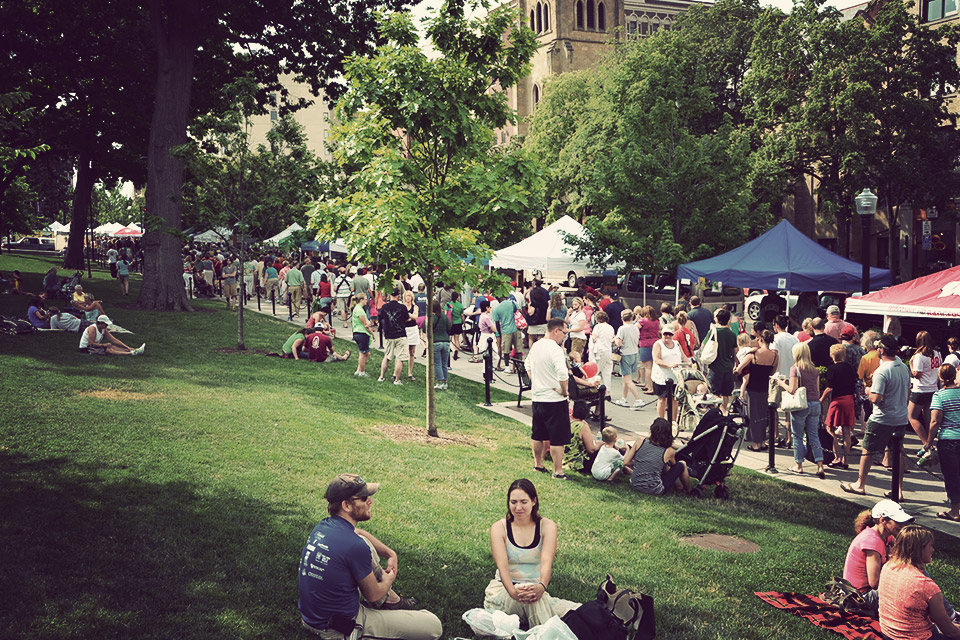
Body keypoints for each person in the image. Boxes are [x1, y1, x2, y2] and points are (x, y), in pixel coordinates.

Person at [298, 474, 442, 640]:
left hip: (312, 618)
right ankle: (388, 605)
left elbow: (358, 533)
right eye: (364, 498)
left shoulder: (323, 526)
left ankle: (392, 603)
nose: (370, 501)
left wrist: (390, 553)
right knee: (433, 626)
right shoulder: (354, 546)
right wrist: (388, 580)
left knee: (364, 542)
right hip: (339, 628)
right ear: (346, 505)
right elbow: (373, 595)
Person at [485, 479, 579, 629]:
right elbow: (502, 567)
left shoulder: (547, 526)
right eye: (513, 502)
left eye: (524, 501)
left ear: (534, 501)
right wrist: (513, 592)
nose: (518, 507)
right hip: (505, 591)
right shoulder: (499, 528)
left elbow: (547, 562)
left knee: (577, 610)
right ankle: (547, 633)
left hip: (536, 591)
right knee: (536, 602)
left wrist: (541, 587)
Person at [842, 334, 911, 500]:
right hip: (900, 416)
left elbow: (876, 398)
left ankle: (860, 484)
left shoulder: (882, 371)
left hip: (882, 417)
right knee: (898, 451)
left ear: (882, 350)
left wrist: (867, 390)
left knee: (868, 450)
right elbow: (908, 391)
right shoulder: (903, 367)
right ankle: (898, 490)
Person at [878, 525, 960, 640]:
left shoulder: (887, 567)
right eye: (930, 546)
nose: (933, 549)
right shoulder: (926, 586)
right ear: (919, 549)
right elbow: (951, 632)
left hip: (888, 634)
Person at [842, 499, 915, 617]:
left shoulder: (885, 536)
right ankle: (945, 615)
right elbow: (874, 583)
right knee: (911, 587)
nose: (903, 526)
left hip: (864, 594)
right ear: (883, 520)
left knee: (913, 572)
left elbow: (902, 554)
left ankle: (944, 614)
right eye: (898, 522)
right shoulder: (873, 541)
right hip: (861, 598)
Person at [527, 319, 572, 479]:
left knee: (538, 434)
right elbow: (562, 372)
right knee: (557, 438)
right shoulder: (555, 349)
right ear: (556, 331)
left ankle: (538, 464)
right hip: (554, 399)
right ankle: (558, 470)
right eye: (564, 333)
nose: (565, 336)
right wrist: (564, 391)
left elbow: (528, 366)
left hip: (538, 398)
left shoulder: (536, 346)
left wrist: (536, 382)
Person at [778, 342, 825, 477]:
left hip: (801, 406)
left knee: (797, 435)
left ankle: (798, 465)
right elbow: (817, 390)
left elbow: (793, 390)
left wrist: (781, 383)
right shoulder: (815, 370)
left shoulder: (795, 369)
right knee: (814, 435)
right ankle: (820, 465)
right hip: (815, 404)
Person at [623, 417, 695, 495]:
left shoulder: (640, 441)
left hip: (634, 485)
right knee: (682, 464)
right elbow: (674, 467)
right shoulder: (669, 451)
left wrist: (642, 462)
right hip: (655, 490)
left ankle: (678, 486)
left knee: (662, 464)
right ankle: (688, 490)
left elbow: (626, 462)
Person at [927, 364, 960, 522]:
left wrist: (928, 442)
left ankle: (954, 511)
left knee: (952, 476)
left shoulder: (939, 395)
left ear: (940, 377)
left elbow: (935, 421)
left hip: (948, 440)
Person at [735, 329, 778, 452]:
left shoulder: (753, 354)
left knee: (753, 415)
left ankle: (755, 444)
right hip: (764, 388)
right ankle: (763, 442)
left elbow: (738, 369)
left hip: (752, 388)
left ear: (761, 340)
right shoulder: (775, 356)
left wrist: (737, 370)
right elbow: (772, 372)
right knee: (763, 415)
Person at [822, 343, 858, 469]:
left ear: (832, 355)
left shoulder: (832, 369)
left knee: (830, 429)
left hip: (837, 401)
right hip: (849, 400)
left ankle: (836, 457)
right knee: (847, 431)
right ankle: (845, 459)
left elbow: (829, 388)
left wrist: (821, 399)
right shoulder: (850, 368)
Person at [910, 331, 943, 446]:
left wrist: (911, 364)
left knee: (912, 417)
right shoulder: (937, 354)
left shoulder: (919, 356)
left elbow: (917, 374)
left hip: (920, 390)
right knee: (929, 419)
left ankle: (926, 444)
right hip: (933, 389)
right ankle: (930, 443)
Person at [704, 307, 738, 416]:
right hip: (728, 367)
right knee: (726, 394)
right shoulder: (732, 334)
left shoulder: (713, 332)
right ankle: (724, 413)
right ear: (728, 320)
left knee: (715, 393)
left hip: (715, 367)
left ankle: (716, 414)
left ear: (717, 319)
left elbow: (704, 345)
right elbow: (735, 351)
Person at [651, 326, 688, 422]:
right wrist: (669, 365)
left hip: (675, 377)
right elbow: (656, 359)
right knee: (662, 399)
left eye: (670, 334)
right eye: (665, 334)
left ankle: (673, 422)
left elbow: (683, 357)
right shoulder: (658, 344)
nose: (667, 336)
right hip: (662, 377)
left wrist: (689, 363)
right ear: (662, 334)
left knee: (674, 400)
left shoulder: (676, 344)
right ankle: (661, 421)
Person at [613, 310, 643, 410]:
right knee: (625, 377)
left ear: (622, 318)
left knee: (627, 379)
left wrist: (615, 339)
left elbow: (618, 343)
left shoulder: (622, 329)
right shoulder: (635, 328)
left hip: (625, 354)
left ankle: (638, 399)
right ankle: (624, 398)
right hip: (634, 353)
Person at [79, 315, 144, 356]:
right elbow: (91, 344)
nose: (107, 326)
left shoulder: (103, 329)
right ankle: (132, 353)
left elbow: (114, 340)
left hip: (93, 347)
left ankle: (133, 350)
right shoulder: (92, 328)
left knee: (112, 347)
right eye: (105, 324)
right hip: (86, 348)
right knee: (108, 349)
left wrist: (127, 347)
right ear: (100, 323)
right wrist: (104, 345)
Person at [492, 293, 523, 373]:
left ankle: (507, 368)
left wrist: (499, 334)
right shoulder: (512, 303)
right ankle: (519, 367)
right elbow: (520, 312)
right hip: (516, 329)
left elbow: (497, 323)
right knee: (518, 350)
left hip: (505, 331)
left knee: (506, 351)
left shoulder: (497, 309)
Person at [589, 310, 615, 395]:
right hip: (608, 351)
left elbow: (594, 338)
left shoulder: (597, 327)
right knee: (607, 372)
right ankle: (608, 392)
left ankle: (593, 389)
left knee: (595, 371)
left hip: (600, 352)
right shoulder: (610, 327)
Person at [636, 306, 659, 393]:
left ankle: (651, 387)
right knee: (654, 367)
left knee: (647, 368)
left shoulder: (642, 321)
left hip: (645, 344)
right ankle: (654, 386)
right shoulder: (657, 321)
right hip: (655, 343)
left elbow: (635, 328)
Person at [351, 294, 374, 377]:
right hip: (361, 333)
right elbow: (365, 324)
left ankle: (358, 370)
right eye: (365, 299)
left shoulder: (358, 308)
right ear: (361, 300)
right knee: (363, 353)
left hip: (358, 332)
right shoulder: (359, 310)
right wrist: (372, 333)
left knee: (367, 354)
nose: (366, 300)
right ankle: (362, 372)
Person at [431, 300, 451, 390]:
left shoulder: (432, 317)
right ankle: (445, 382)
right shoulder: (444, 316)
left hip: (436, 342)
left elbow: (425, 328)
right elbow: (449, 328)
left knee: (437, 363)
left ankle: (439, 382)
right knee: (444, 364)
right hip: (446, 341)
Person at [401, 290, 420, 381]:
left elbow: (415, 317)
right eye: (406, 296)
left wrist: (408, 316)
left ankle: (410, 372)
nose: (408, 297)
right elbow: (402, 319)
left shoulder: (415, 307)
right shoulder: (402, 306)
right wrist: (409, 317)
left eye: (409, 296)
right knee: (402, 351)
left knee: (412, 352)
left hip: (413, 329)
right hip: (404, 329)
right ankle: (398, 371)